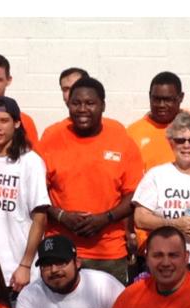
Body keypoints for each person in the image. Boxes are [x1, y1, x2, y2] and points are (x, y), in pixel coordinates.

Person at [39, 77, 144, 285]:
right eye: (76, 103)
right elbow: (35, 191)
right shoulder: (51, 139)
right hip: (59, 251)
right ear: (68, 104)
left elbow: (134, 194)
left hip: (108, 253)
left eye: (90, 103)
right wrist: (61, 216)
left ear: (103, 105)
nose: (82, 109)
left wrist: (105, 218)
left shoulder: (122, 140)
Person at [131, 111, 190, 276]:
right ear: (171, 143)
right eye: (180, 140)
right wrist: (175, 224)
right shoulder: (156, 175)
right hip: (164, 264)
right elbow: (139, 218)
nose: (186, 145)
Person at [0, 97, 49, 291]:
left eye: (4, 121)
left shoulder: (30, 161)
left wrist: (25, 264)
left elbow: (40, 218)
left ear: (17, 123)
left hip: (18, 270)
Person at [126, 71, 190, 171]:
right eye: (156, 99)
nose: (161, 105)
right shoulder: (133, 133)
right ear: (149, 96)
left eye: (168, 100)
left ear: (181, 97)